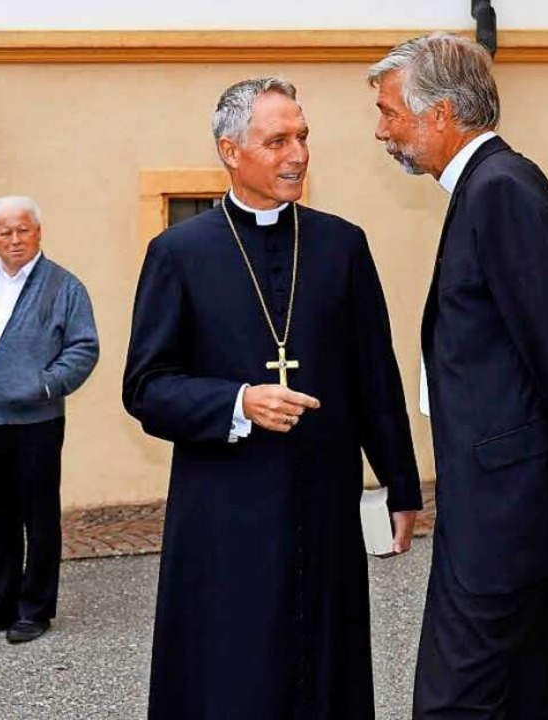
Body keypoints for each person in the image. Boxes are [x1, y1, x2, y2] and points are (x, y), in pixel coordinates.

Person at [122, 77, 421, 719]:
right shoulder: (179, 252)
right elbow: (145, 387)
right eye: (277, 140)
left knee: (325, 665)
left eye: (304, 136)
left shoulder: (342, 244)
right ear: (231, 151)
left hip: (324, 500)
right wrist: (237, 401)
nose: (298, 154)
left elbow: (376, 373)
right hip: (225, 509)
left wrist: (401, 482)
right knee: (235, 669)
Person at [369, 33, 548, 719]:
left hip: (502, 506)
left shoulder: (497, 191)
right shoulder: (490, 185)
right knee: (516, 686)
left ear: (439, 115)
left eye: (389, 112)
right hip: (497, 491)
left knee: (454, 697)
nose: (381, 130)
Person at [0, 196, 99, 645]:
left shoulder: (65, 287)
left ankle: (35, 608)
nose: (14, 239)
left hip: (36, 423)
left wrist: (46, 385)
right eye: (4, 232)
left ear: (38, 232)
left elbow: (84, 347)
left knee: (38, 517)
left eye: (22, 230)